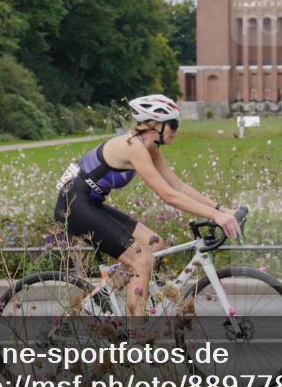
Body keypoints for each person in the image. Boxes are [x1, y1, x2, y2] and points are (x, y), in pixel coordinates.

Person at [54, 94, 241, 323]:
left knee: (154, 243)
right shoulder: (134, 147)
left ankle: (98, 298)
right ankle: (136, 334)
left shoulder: (150, 148)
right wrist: (216, 216)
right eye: (173, 124)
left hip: (90, 203)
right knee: (141, 260)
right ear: (156, 125)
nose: (176, 130)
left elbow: (178, 186)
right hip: (74, 206)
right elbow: (169, 196)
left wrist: (221, 209)